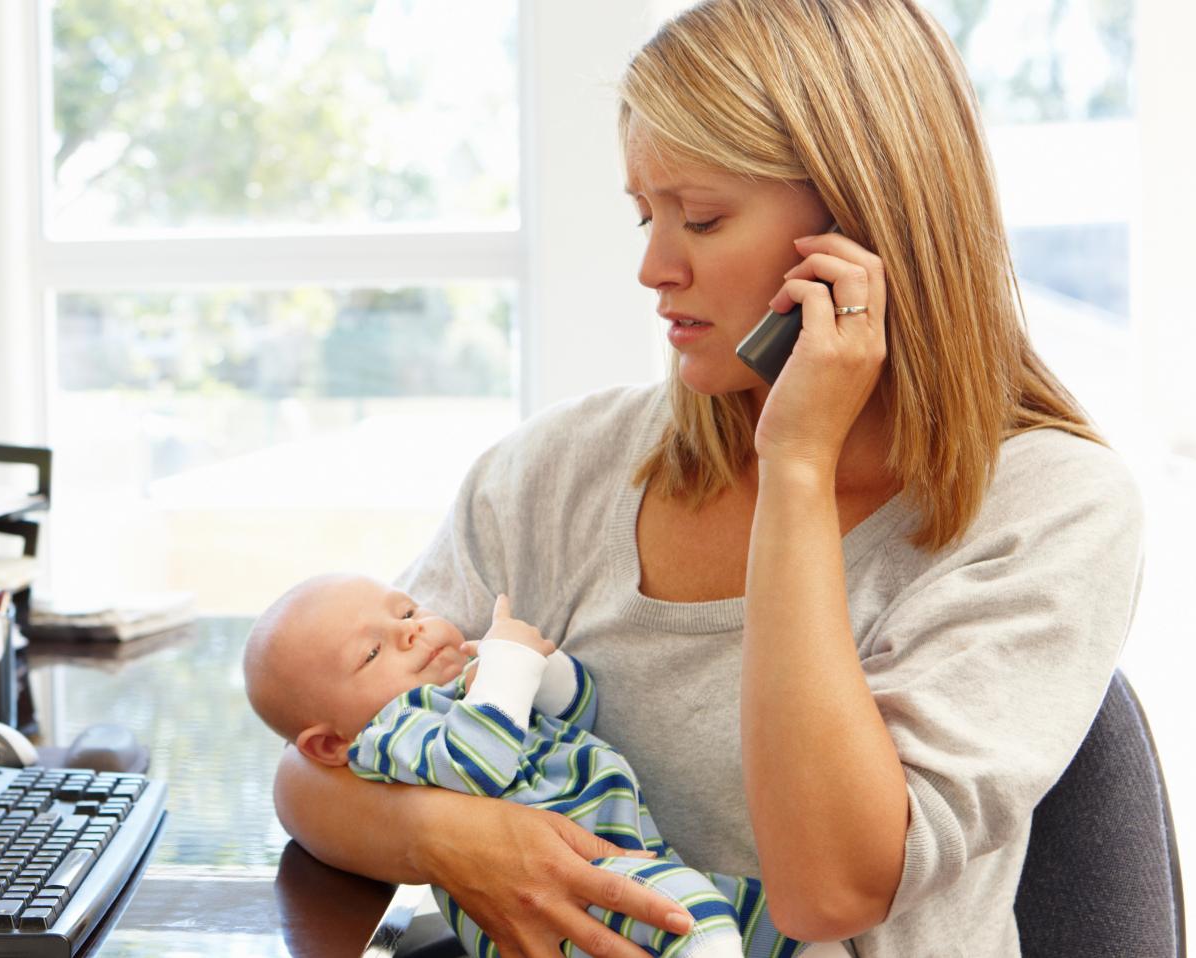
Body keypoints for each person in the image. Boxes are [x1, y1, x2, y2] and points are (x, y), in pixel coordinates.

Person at [268, 2, 1146, 956]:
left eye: (703, 217)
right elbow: (313, 768)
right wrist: (458, 841)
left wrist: (798, 467)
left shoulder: (1052, 508)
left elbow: (826, 892)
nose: (653, 267)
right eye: (646, 215)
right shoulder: (554, 476)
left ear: (859, 225)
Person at [244, 573, 811, 958]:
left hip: (629, 859)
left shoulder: (469, 690)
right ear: (327, 744)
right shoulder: (391, 733)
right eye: (372, 653)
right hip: (565, 896)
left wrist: (543, 668)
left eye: (409, 611)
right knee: (693, 915)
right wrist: (508, 667)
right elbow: (476, 765)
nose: (411, 630)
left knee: (769, 916)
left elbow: (580, 713)